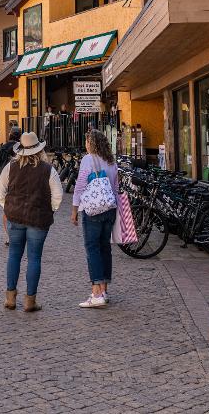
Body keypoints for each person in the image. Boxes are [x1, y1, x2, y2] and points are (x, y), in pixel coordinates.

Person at [0, 132, 63, 313]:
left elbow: (0, 191)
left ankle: (10, 297)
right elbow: (58, 195)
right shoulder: (48, 170)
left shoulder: (11, 167)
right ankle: (30, 301)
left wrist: (7, 207)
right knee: (34, 258)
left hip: (15, 217)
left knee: (14, 255)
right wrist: (50, 210)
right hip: (38, 219)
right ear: (39, 150)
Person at [72, 129, 120, 308]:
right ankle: (104, 290)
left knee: (92, 248)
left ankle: (96, 293)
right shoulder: (111, 161)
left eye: (87, 141)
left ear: (91, 143)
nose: (85, 145)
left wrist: (74, 209)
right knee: (105, 247)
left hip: (93, 210)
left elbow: (80, 185)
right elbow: (116, 187)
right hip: (110, 208)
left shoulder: (88, 159)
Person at [0, 127, 22, 246]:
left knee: (6, 209)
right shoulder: (22, 148)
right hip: (18, 181)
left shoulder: (3, 148)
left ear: (10, 135)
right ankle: (18, 235)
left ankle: (10, 237)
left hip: (3, 182)